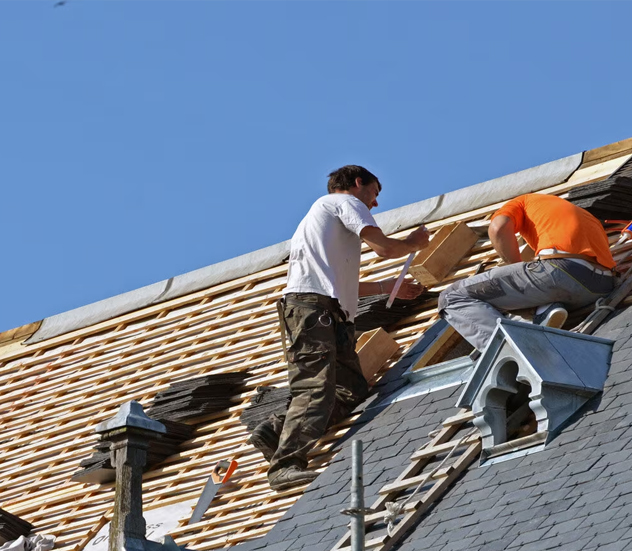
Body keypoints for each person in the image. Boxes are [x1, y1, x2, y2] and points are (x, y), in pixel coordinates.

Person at [251, 166, 429, 491]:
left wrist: (388, 286)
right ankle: (285, 465)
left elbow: (341, 283)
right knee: (315, 387)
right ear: (358, 183)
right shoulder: (342, 203)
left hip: (327, 312)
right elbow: (385, 248)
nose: (374, 204)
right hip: (314, 312)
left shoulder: (323, 221)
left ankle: (276, 430)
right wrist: (412, 243)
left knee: (352, 392)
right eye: (375, 194)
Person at [439, 193, 616, 352]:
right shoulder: (574, 215)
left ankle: (509, 353)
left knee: (451, 296)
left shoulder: (522, 202)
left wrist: (513, 268)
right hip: (600, 285)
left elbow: (498, 228)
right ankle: (546, 311)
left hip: (563, 271)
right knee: (531, 289)